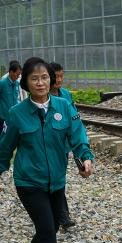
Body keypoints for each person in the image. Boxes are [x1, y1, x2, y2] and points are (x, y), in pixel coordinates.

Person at [0, 57, 94, 243]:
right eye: (34, 78)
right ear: (26, 82)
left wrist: (85, 156)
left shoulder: (64, 107)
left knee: (53, 226)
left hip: (56, 179)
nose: (40, 82)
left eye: (44, 77)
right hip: (29, 181)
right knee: (47, 228)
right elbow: (5, 147)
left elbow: (78, 135)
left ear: (52, 79)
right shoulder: (17, 114)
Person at [48, 61, 77, 230]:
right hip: (46, 144)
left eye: (61, 76)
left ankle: (61, 214)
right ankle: (61, 215)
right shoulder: (42, 95)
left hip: (62, 146)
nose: (59, 79)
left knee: (59, 178)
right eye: (56, 76)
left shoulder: (66, 95)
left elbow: (74, 120)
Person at [0, 60, 23, 145]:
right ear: (11, 72)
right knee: (2, 133)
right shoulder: (2, 83)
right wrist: (0, 104)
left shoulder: (16, 84)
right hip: (4, 114)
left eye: (19, 75)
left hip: (13, 113)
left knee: (12, 134)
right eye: (17, 74)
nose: (18, 76)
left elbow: (16, 97)